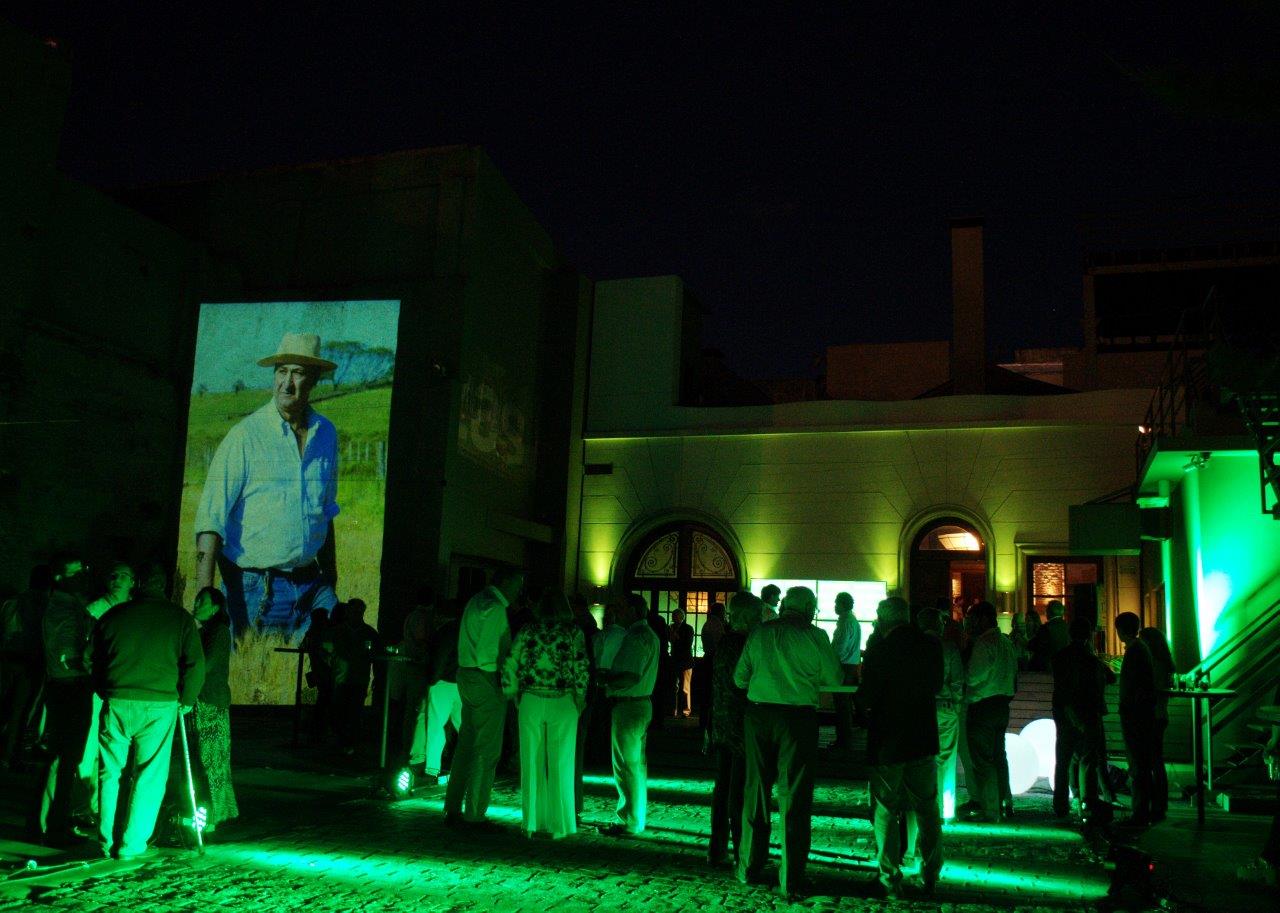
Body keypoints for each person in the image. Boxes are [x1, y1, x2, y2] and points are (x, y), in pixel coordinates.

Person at [193, 333, 340, 640]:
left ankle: (312, 689)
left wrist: (331, 577)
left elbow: (325, 511)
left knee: (319, 673)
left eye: (298, 373)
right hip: (256, 587)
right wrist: (204, 595)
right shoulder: (245, 436)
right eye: (281, 371)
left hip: (312, 584)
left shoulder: (326, 434)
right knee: (259, 682)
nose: (287, 383)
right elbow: (211, 520)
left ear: (313, 381)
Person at [735, 586, 842, 900]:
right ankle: (790, 879)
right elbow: (834, 678)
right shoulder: (815, 636)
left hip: (758, 716)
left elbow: (740, 679)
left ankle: (748, 868)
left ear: (784, 607)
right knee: (794, 797)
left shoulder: (760, 634)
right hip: (798, 720)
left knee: (755, 791)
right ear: (808, 608)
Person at [91, 563, 204, 859]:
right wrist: (188, 698)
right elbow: (195, 665)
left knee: (109, 772)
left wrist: (104, 688)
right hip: (159, 704)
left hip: (117, 698)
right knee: (149, 775)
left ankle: (105, 840)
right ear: (166, 587)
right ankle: (132, 843)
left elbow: (95, 657)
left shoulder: (113, 616)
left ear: (138, 584)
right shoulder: (180, 619)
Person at [859, 597, 943, 898]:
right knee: (927, 807)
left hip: (888, 741)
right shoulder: (931, 646)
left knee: (886, 808)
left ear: (883, 619)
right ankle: (930, 873)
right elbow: (937, 685)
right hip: (922, 737)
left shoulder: (880, 649)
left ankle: (890, 877)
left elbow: (867, 695)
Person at [502, 591, 589, 839]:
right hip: (563, 699)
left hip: (531, 697)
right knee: (561, 762)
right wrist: (580, 697)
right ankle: (560, 825)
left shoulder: (528, 631)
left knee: (530, 761)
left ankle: (530, 822)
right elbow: (581, 666)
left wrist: (512, 692)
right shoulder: (573, 632)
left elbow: (511, 661)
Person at [445, 568, 523, 829]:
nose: (519, 591)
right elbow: (488, 656)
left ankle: (453, 806)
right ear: (507, 584)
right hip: (484, 678)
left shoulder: (476, 600)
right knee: (486, 749)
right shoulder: (495, 608)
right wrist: (501, 686)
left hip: (466, 675)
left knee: (466, 745)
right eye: (517, 585)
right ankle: (475, 813)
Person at [32, 561, 96, 843]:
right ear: (59, 576)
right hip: (70, 689)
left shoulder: (65, 605)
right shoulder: (64, 609)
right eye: (76, 571)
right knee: (65, 758)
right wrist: (93, 671)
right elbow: (67, 658)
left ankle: (48, 822)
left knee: (63, 758)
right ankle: (51, 825)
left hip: (64, 687)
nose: (83, 575)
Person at [708, 593, 763, 867]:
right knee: (737, 790)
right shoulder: (745, 644)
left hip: (722, 723)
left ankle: (717, 848)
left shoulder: (725, 643)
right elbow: (742, 685)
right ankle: (743, 848)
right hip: (740, 725)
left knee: (723, 788)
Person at [600, 593, 661, 836]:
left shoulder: (636, 637)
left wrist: (604, 679)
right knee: (634, 764)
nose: (618, 614)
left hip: (629, 704)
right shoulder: (648, 636)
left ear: (635, 612)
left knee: (627, 765)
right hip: (639, 703)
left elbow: (630, 676)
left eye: (623, 609)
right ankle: (634, 817)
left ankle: (630, 820)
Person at [1052, 616, 1113, 825]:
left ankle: (1061, 805)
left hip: (1065, 716)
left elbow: (1062, 688)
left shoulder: (1061, 657)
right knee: (1088, 761)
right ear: (1089, 635)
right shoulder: (1091, 659)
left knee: (1063, 761)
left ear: (1070, 634)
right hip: (1088, 715)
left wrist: (1069, 713)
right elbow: (1107, 679)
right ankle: (1088, 802)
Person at [962, 601, 1017, 822]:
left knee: (983, 760)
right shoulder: (1005, 641)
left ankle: (991, 810)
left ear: (983, 619)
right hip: (1002, 705)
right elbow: (1014, 676)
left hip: (983, 706)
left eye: (972, 618)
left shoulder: (985, 643)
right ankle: (1005, 803)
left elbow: (974, 676)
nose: (969, 623)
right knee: (999, 756)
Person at [191, 587, 238, 831]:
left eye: (202, 601)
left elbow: (206, 665)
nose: (196, 603)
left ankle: (211, 816)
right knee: (204, 762)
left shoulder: (218, 632)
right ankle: (208, 814)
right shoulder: (205, 632)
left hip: (211, 703)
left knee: (212, 762)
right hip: (204, 702)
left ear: (215, 607)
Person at [0, 564, 53, 768]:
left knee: (8, 706)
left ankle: (8, 754)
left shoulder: (12, 602)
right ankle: (10, 755)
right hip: (31, 662)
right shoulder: (46, 605)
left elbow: (6, 631)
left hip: (8, 659)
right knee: (21, 711)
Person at [918, 607, 963, 821]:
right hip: (945, 707)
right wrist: (956, 707)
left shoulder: (913, 647)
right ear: (939, 625)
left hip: (921, 709)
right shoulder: (949, 648)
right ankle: (946, 809)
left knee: (923, 760)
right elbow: (957, 682)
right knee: (946, 759)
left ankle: (926, 808)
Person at [1115, 612, 1157, 827]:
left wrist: (1127, 708)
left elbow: (1133, 685)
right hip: (1141, 714)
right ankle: (1142, 811)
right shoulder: (1141, 649)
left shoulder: (1135, 651)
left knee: (1137, 763)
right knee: (1140, 763)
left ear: (1121, 631)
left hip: (1135, 715)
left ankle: (1139, 813)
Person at [330, 598, 380, 754]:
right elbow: (326, 653)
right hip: (340, 680)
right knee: (339, 712)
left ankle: (351, 745)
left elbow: (377, 658)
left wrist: (376, 679)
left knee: (355, 713)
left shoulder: (370, 633)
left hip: (359, 680)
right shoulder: (337, 631)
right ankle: (340, 743)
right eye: (353, 611)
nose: (356, 614)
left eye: (359, 611)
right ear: (347, 612)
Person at [396, 586, 436, 772]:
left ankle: (408, 750)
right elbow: (422, 640)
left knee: (412, 712)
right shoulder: (420, 617)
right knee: (416, 712)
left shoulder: (413, 615)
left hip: (414, 668)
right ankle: (410, 752)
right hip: (418, 669)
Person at [424, 599, 462, 784]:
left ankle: (432, 768)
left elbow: (440, 657)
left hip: (443, 683)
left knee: (435, 725)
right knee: (464, 726)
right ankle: (468, 766)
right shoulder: (464, 629)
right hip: (462, 683)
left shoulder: (444, 632)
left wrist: (432, 679)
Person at [1139, 627, 1174, 823]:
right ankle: (1159, 804)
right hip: (1161, 715)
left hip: (1151, 716)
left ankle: (1156, 804)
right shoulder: (1165, 663)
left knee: (1151, 762)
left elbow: (1150, 691)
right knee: (1156, 761)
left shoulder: (1153, 664)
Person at [830, 592, 861, 751]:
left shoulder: (845, 623)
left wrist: (830, 659)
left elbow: (840, 648)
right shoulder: (852, 621)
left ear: (842, 604)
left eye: (836, 603)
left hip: (843, 666)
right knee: (845, 703)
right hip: (852, 665)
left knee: (841, 704)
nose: (834, 606)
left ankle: (843, 740)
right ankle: (845, 738)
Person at [300, 607, 334, 742]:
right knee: (326, 699)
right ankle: (321, 729)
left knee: (323, 699)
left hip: (318, 671)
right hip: (326, 671)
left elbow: (302, 647)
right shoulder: (325, 633)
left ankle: (317, 730)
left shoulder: (311, 633)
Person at [670, 609, 695, 718]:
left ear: (681, 617)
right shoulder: (672, 628)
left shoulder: (688, 629)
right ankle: (674, 710)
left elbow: (687, 645)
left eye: (674, 616)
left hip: (685, 661)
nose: (672, 618)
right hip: (676, 660)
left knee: (685, 687)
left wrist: (675, 636)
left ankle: (685, 711)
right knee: (674, 686)